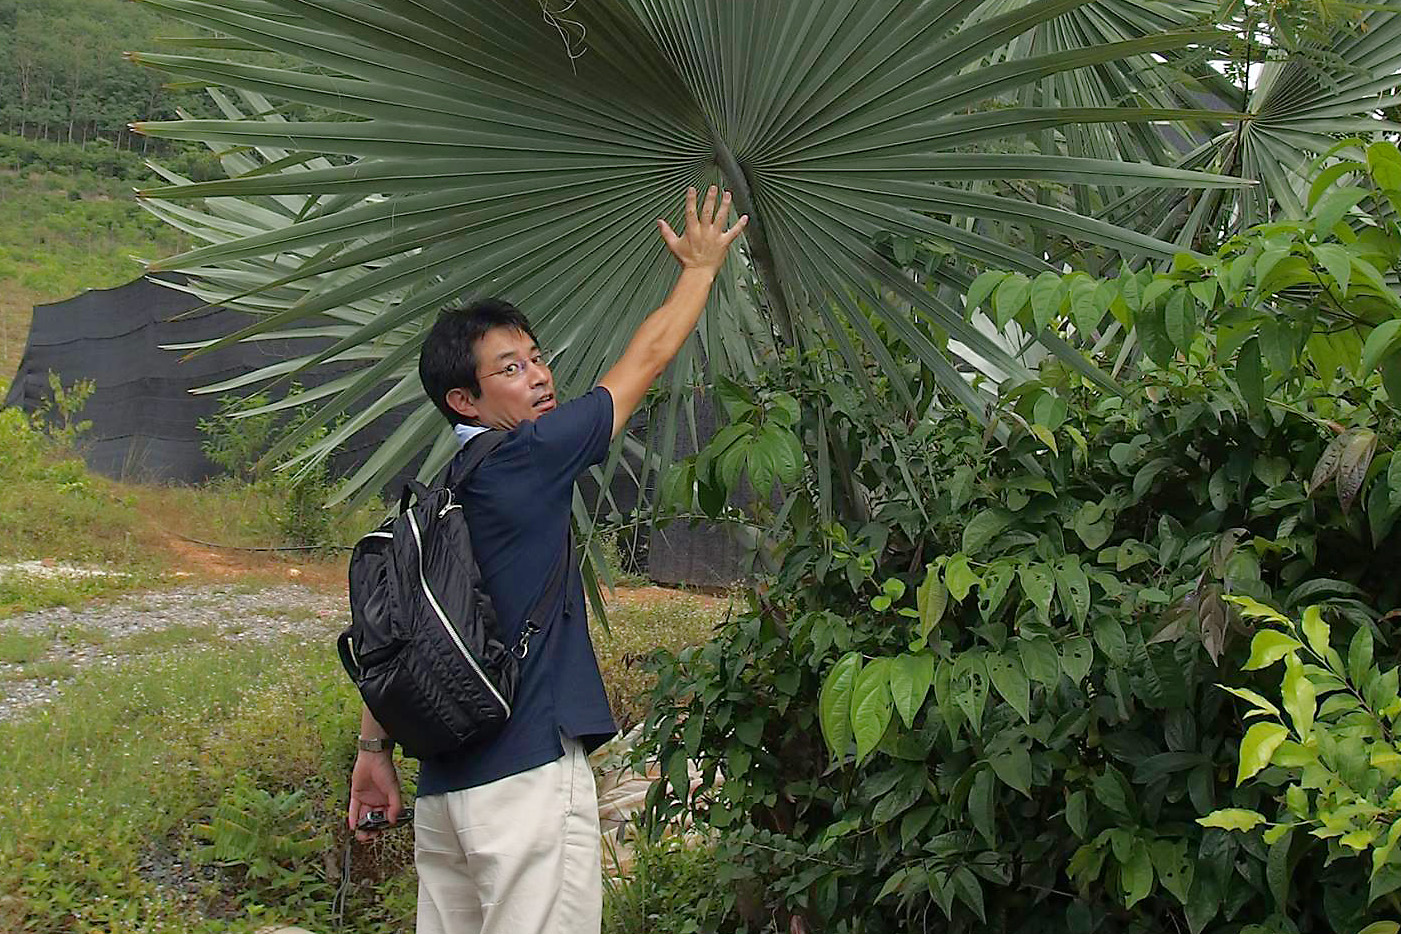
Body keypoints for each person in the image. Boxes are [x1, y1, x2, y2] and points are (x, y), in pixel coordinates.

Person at [346, 185, 748, 934]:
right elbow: (648, 357)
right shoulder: (526, 459)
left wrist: (373, 753)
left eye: (536, 358)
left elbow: (395, 635)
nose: (537, 377)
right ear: (464, 401)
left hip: (444, 795)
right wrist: (699, 268)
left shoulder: (433, 502)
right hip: (525, 780)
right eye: (509, 369)